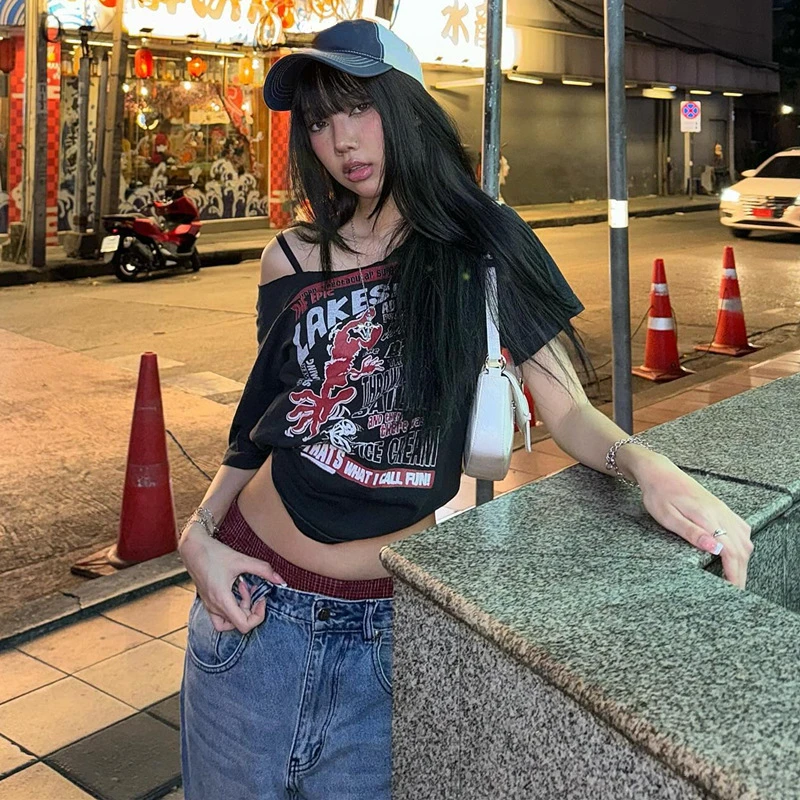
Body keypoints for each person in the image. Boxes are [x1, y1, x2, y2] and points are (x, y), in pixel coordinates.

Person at [178, 19, 753, 799]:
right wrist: (199, 534)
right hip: (251, 612)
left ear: (408, 107)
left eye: (360, 107)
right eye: (317, 120)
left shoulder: (482, 243)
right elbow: (262, 420)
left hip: (388, 629)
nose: (340, 140)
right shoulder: (292, 256)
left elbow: (567, 410)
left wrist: (650, 468)